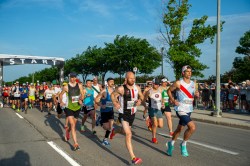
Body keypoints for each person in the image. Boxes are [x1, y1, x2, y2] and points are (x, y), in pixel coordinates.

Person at [111, 71, 144, 165]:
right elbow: (112, 95)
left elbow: (141, 96)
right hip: (123, 113)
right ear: (126, 79)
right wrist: (115, 102)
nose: (133, 79)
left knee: (124, 131)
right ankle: (133, 157)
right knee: (129, 134)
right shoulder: (121, 89)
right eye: (130, 78)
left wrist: (140, 100)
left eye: (134, 78)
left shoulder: (137, 88)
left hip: (132, 114)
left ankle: (116, 131)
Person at [166, 65, 199, 157]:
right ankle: (183, 144)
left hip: (189, 109)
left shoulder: (193, 83)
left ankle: (171, 143)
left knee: (179, 129)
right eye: (187, 71)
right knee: (192, 127)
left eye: (190, 71)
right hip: (180, 109)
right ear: (183, 73)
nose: (189, 73)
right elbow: (168, 91)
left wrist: (196, 96)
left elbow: (193, 96)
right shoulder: (178, 83)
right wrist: (173, 100)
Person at [60, 72, 84, 151]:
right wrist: (61, 101)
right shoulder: (66, 87)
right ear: (69, 78)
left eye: (74, 77)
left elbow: (82, 94)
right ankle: (76, 143)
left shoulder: (79, 85)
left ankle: (67, 131)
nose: (73, 79)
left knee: (73, 125)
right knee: (73, 125)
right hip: (69, 108)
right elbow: (60, 95)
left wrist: (81, 99)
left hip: (77, 108)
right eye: (72, 77)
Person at [95, 77, 115, 146]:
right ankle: (100, 119)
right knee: (106, 127)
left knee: (111, 126)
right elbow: (96, 99)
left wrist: (117, 103)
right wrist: (101, 104)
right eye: (111, 81)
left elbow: (115, 100)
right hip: (104, 112)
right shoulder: (104, 91)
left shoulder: (114, 91)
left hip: (111, 111)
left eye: (113, 81)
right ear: (107, 83)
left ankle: (105, 139)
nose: (112, 83)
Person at [143, 78, 164, 144]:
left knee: (160, 125)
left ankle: (150, 124)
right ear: (152, 84)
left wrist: (163, 103)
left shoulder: (160, 90)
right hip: (151, 109)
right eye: (155, 84)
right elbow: (143, 100)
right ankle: (154, 138)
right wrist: (145, 106)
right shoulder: (149, 91)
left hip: (158, 109)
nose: (157, 85)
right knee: (155, 123)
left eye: (158, 84)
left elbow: (162, 98)